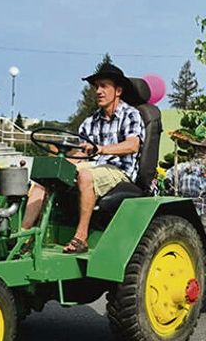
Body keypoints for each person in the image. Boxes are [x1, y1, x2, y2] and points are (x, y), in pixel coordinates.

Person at [22, 63, 144, 254]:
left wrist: (101, 149)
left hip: (119, 171)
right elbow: (81, 153)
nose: (98, 91)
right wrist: (61, 158)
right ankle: (24, 236)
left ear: (118, 90)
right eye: (96, 87)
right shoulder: (90, 121)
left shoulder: (131, 115)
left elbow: (132, 145)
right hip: (92, 166)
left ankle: (81, 238)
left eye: (104, 86)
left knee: (85, 175)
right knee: (44, 178)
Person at [168, 137, 206, 246]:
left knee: (203, 243)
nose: (200, 153)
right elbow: (171, 173)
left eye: (205, 151)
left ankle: (202, 258)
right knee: (182, 239)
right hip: (185, 206)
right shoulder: (184, 167)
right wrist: (168, 182)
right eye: (199, 150)